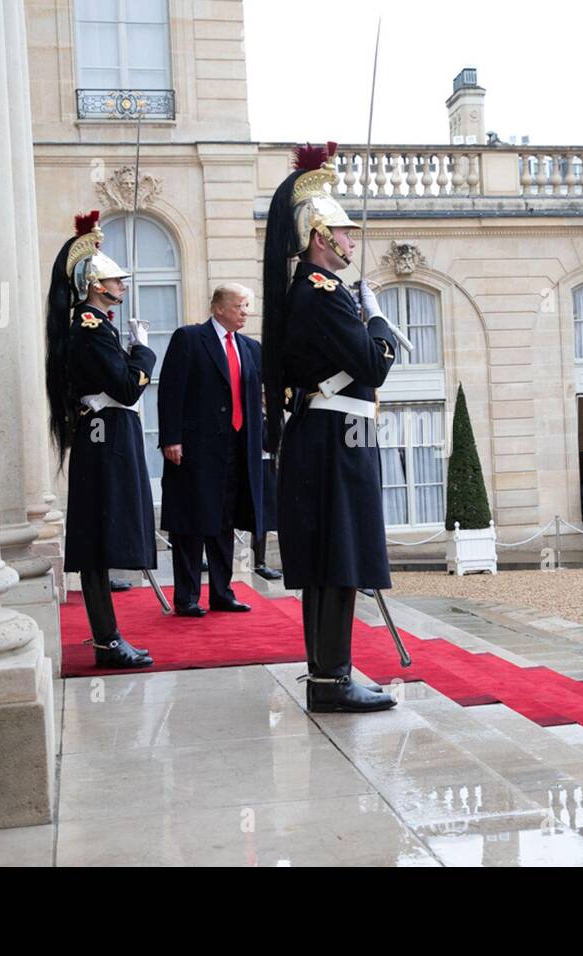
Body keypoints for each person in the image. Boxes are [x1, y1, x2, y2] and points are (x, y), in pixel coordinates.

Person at [261, 142, 397, 713]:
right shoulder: (321, 295)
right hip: (338, 439)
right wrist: (378, 319)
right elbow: (375, 364)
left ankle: (327, 676)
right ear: (320, 236)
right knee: (338, 561)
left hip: (331, 436)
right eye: (344, 232)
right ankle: (333, 679)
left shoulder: (316, 294)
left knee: (329, 563)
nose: (351, 241)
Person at [44, 210, 155, 668]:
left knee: (103, 540)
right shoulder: (90, 329)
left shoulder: (97, 326)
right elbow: (128, 387)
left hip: (108, 432)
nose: (122, 287)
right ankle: (107, 642)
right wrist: (143, 352)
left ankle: (110, 638)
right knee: (98, 542)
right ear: (96, 286)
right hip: (105, 434)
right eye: (115, 281)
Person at [157, 284, 264, 616]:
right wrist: (170, 439)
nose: (245, 312)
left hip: (236, 447)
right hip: (194, 449)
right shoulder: (189, 339)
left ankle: (222, 592)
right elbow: (170, 392)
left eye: (247, 306)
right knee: (191, 522)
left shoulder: (250, 348)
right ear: (218, 308)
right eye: (239, 306)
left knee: (225, 521)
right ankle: (187, 597)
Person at [252, 409, 283, 581]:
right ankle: (259, 562)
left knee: (267, 517)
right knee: (261, 517)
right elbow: (266, 442)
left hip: (271, 464)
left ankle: (261, 561)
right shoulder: (261, 414)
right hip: (262, 465)